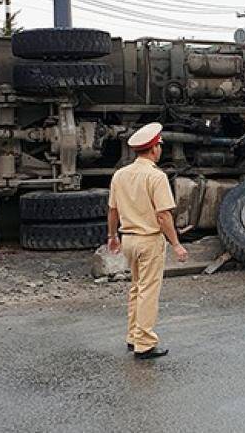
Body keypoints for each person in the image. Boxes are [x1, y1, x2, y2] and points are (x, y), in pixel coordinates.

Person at [107, 122, 189, 360]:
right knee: (148, 291)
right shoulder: (156, 176)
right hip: (149, 240)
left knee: (136, 288)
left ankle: (133, 336)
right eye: (159, 146)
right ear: (154, 149)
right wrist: (176, 244)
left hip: (128, 239)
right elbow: (163, 215)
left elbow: (112, 210)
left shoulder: (120, 175)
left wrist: (112, 236)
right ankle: (145, 343)